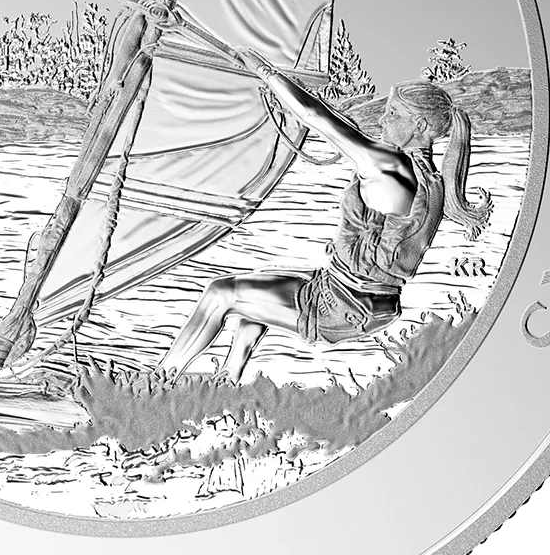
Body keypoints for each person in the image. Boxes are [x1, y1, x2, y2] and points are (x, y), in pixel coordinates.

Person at [154, 48, 492, 382]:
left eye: (392, 114)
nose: (382, 120)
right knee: (261, 280)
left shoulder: (387, 164)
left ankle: (158, 381)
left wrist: (265, 71)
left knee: (220, 293)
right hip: (371, 301)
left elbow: (317, 117)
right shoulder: (432, 179)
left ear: (419, 124)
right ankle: (229, 378)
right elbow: (384, 240)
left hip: (343, 306)